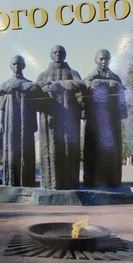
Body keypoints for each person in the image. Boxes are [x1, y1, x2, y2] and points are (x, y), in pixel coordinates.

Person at [36, 45, 86, 190]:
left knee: (69, 147)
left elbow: (81, 84)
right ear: (51, 55)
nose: (58, 54)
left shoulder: (72, 72)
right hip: (50, 118)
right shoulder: (43, 75)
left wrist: (61, 84)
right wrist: (46, 87)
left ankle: (70, 183)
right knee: (50, 149)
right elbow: (36, 88)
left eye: (60, 52)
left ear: (65, 54)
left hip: (69, 116)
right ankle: (49, 182)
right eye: (55, 52)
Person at [82, 49, 127, 188]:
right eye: (101, 59)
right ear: (96, 60)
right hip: (94, 121)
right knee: (93, 149)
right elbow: (84, 90)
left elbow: (121, 99)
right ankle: (92, 180)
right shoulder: (90, 78)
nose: (104, 61)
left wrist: (122, 113)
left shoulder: (115, 78)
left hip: (112, 122)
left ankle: (112, 180)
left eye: (106, 59)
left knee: (111, 150)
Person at [0, 55, 40, 187]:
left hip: (25, 122)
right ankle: (11, 181)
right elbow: (1, 106)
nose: (17, 66)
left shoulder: (30, 85)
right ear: (11, 66)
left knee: (26, 148)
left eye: (19, 64)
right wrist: (0, 122)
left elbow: (34, 107)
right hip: (10, 122)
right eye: (14, 64)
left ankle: (27, 181)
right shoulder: (5, 85)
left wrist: (35, 123)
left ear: (24, 66)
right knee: (11, 149)